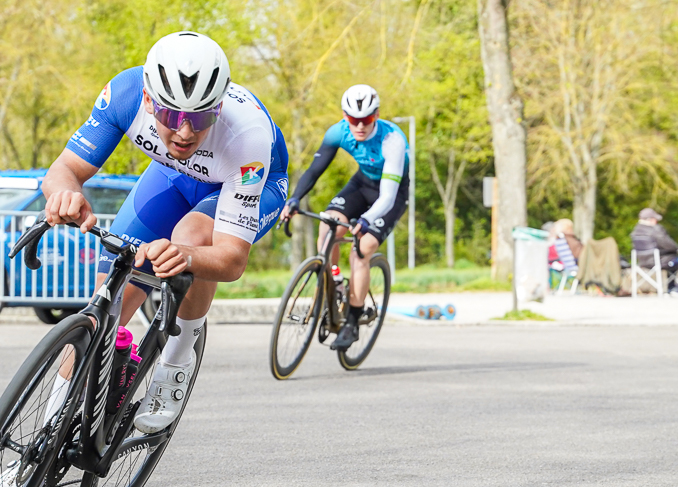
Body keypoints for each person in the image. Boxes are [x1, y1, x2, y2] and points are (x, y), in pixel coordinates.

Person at [41, 32, 289, 433]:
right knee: (107, 305)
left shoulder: (248, 137)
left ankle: (177, 360)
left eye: (202, 117)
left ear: (219, 107)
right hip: (172, 175)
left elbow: (231, 259)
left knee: (191, 235)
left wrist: (186, 257)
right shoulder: (123, 93)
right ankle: (47, 431)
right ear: (147, 100)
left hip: (246, 183)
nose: (186, 132)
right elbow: (62, 171)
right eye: (172, 117)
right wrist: (65, 194)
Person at [280, 84, 409, 350]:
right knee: (328, 226)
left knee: (362, 248)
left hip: (390, 193)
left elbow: (387, 196)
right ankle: (336, 280)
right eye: (353, 120)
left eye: (366, 120)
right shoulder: (337, 132)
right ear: (344, 116)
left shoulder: (392, 140)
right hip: (362, 184)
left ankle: (352, 320)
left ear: (377, 115)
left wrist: (364, 221)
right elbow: (315, 171)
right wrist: (293, 199)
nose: (360, 126)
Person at [629, 207, 678, 291]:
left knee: (672, 260)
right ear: (651, 219)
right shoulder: (656, 230)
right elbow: (668, 244)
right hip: (660, 261)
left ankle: (671, 287)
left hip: (643, 262)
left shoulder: (635, 232)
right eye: (655, 219)